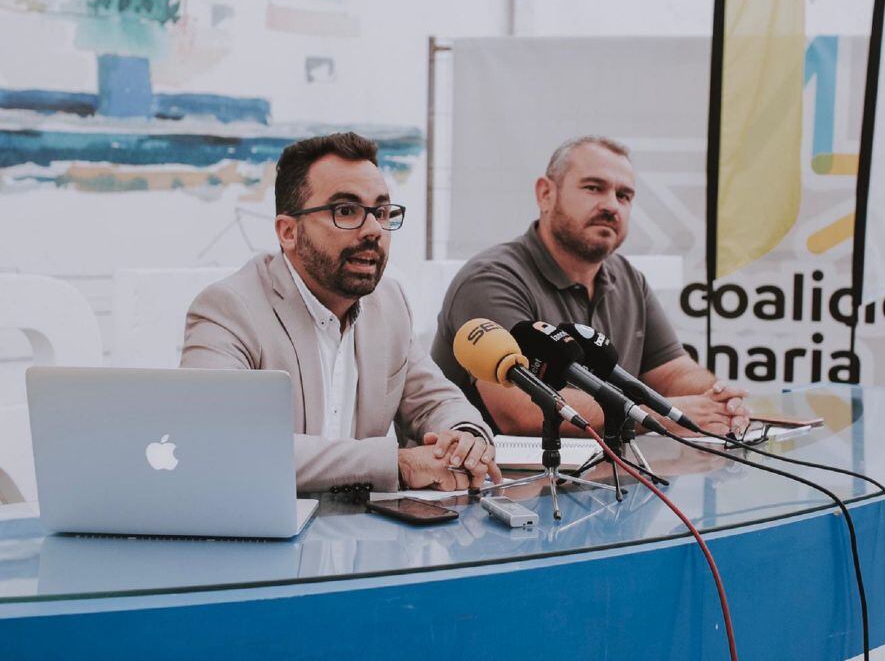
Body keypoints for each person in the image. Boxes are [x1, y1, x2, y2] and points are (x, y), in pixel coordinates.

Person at [181, 132, 501, 492]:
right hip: (265, 534)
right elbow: (219, 444)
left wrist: (465, 437)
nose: (373, 230)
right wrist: (395, 465)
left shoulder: (389, 302)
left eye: (381, 212)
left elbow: (436, 400)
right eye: (346, 211)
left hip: (368, 536)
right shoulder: (228, 309)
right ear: (288, 232)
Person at [431, 136, 750, 438]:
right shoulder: (491, 279)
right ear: (545, 194)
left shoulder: (629, 279)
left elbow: (672, 373)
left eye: (624, 196)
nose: (612, 205)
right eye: (594, 188)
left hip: (607, 479)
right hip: (498, 488)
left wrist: (717, 398)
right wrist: (665, 413)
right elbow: (520, 410)